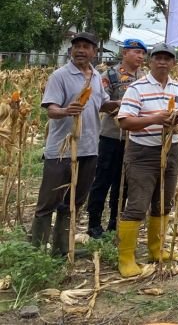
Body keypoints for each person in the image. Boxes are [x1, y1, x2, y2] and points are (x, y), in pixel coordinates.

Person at [31, 32, 111, 256]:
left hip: (89, 149)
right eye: (77, 46)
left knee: (73, 202)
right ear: (70, 50)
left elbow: (102, 104)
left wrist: (124, 105)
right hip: (61, 151)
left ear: (95, 52)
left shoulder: (95, 76)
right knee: (48, 202)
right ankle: (35, 252)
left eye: (86, 47)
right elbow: (51, 109)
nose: (80, 50)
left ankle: (62, 248)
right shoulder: (60, 76)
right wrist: (66, 111)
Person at [115, 43, 178, 277]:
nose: (163, 62)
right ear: (150, 61)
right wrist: (156, 118)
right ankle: (126, 258)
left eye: (168, 58)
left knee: (163, 202)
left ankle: (156, 250)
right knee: (137, 204)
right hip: (143, 153)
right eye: (158, 57)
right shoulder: (136, 88)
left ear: (174, 63)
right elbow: (125, 121)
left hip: (171, 150)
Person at [86, 38, 147, 238]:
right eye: (136, 52)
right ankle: (94, 223)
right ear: (124, 53)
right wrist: (119, 106)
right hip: (112, 136)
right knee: (103, 179)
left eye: (142, 53)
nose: (140, 56)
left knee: (124, 182)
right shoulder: (110, 75)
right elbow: (99, 103)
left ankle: (115, 220)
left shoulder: (144, 77)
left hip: (134, 139)